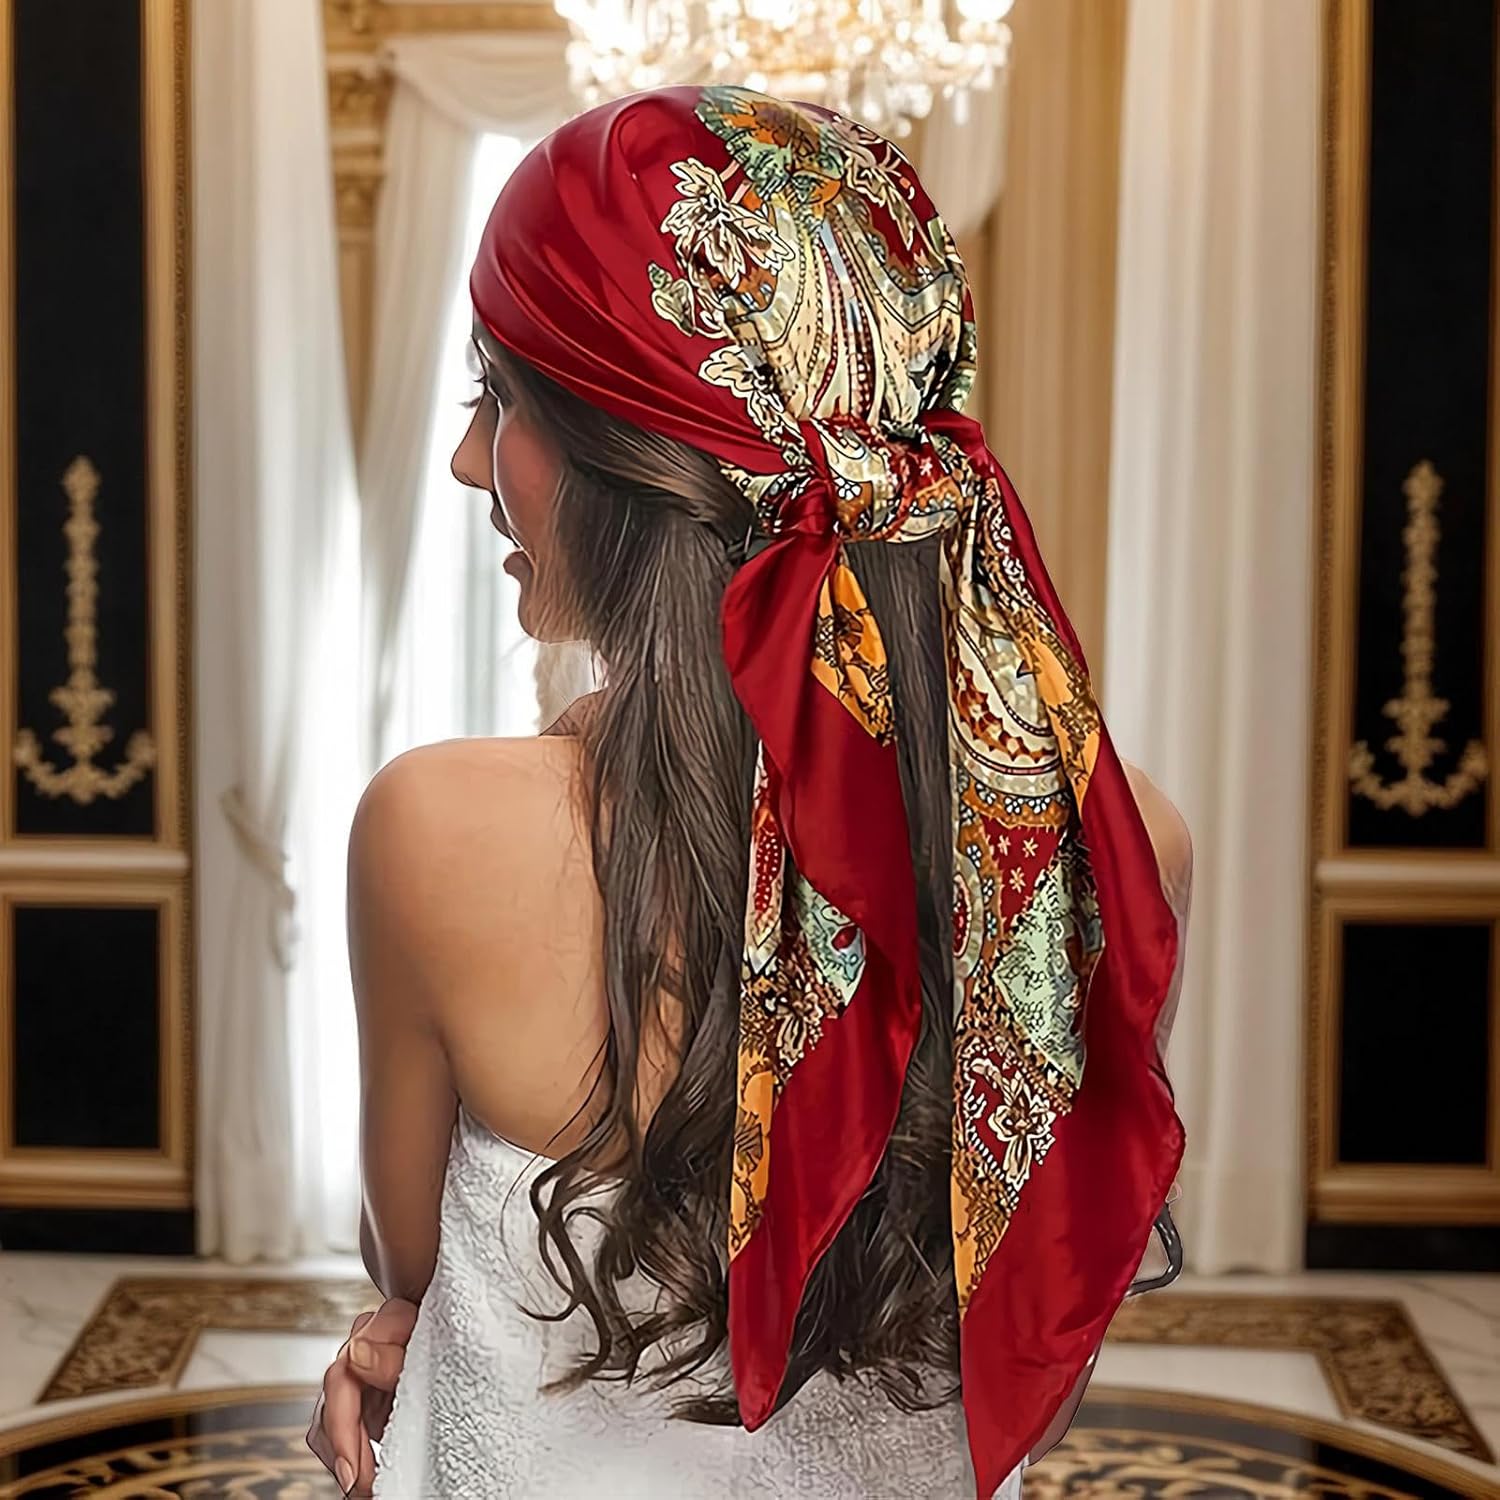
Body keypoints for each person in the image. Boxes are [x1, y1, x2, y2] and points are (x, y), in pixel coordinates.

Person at [306, 83, 1192, 1499]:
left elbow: (411, 1267)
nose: (469, 461)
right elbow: (1038, 1341)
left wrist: (391, 1333)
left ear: (642, 459)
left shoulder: (437, 831)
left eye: (502, 399)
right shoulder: (1112, 841)